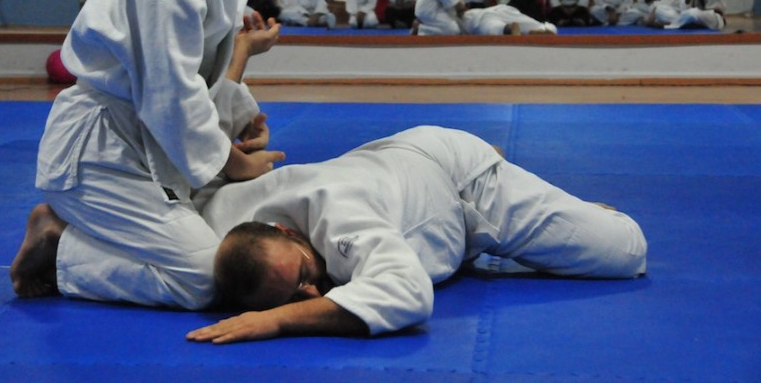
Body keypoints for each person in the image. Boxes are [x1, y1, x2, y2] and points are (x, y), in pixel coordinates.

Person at [8, 0, 312, 310]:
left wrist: (240, 119)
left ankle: (80, 231)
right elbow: (170, 98)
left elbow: (198, 76)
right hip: (98, 155)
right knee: (208, 278)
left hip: (155, 142)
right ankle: (58, 240)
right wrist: (233, 163)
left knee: (239, 232)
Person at [187, 126, 647, 343]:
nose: (310, 292)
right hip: (396, 170)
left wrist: (279, 320)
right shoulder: (220, 220)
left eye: (304, 275)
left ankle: (513, 175)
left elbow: (408, 293)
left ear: (287, 231)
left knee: (624, 252)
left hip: (462, 183)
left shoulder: (342, 219)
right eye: (288, 298)